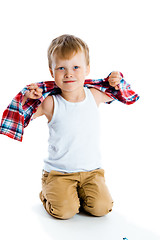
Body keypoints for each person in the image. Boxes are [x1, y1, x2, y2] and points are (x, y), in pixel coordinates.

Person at [1, 34, 138, 219]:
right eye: (61, 68)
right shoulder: (51, 103)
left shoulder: (94, 95)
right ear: (52, 72)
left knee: (102, 208)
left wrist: (117, 80)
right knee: (65, 212)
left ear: (87, 69)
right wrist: (27, 98)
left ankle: (77, 194)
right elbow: (24, 114)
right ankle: (48, 193)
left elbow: (120, 93)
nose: (69, 73)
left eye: (75, 67)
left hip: (92, 172)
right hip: (60, 173)